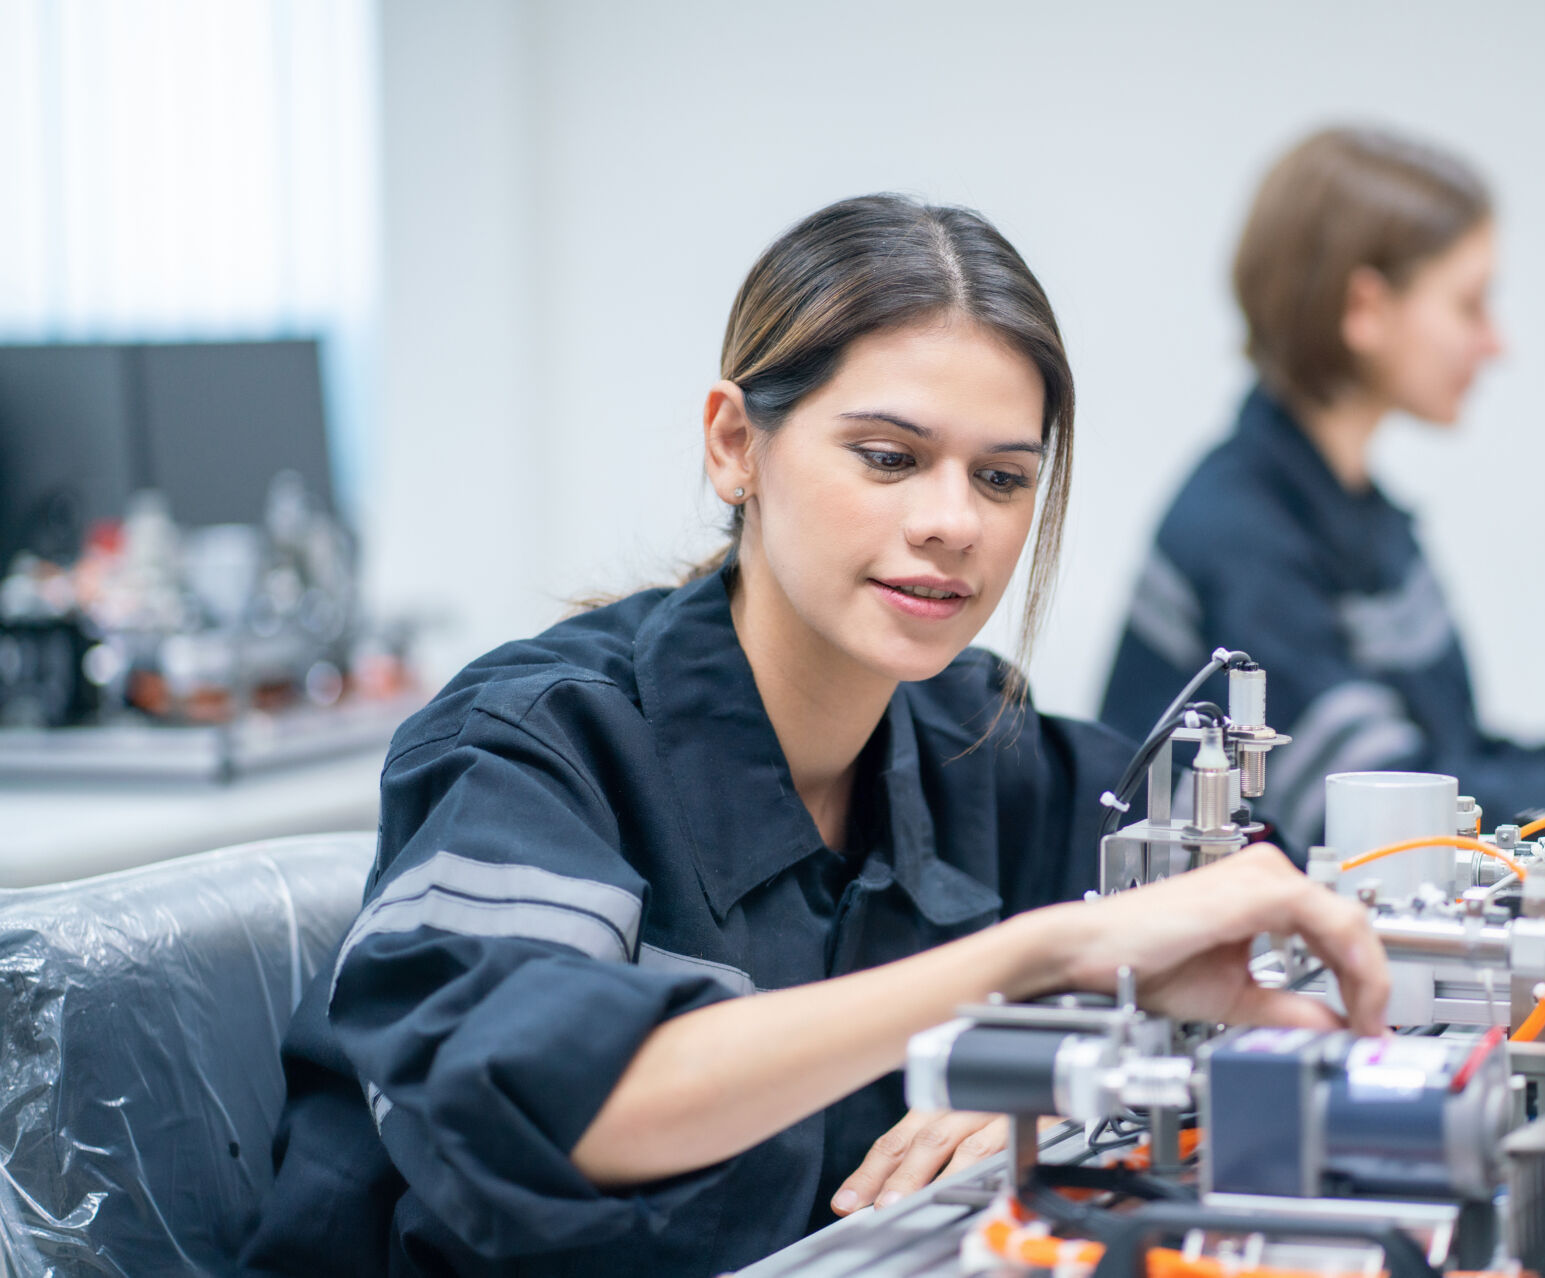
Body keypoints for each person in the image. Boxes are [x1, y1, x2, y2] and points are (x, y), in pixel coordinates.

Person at [243, 195, 1389, 1276]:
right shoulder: (540, 742)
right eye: (888, 458)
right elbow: (534, 1096)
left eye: (1000, 478)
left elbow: (1251, 900)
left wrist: (1041, 1068)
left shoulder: (968, 739)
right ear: (735, 444)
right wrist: (1026, 967)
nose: (951, 524)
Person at [1100, 127, 1545, 853]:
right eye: (1469, 305)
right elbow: (1377, 816)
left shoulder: (1368, 520)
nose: (1495, 343)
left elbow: (1457, 761)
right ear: (1365, 308)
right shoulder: (1239, 529)